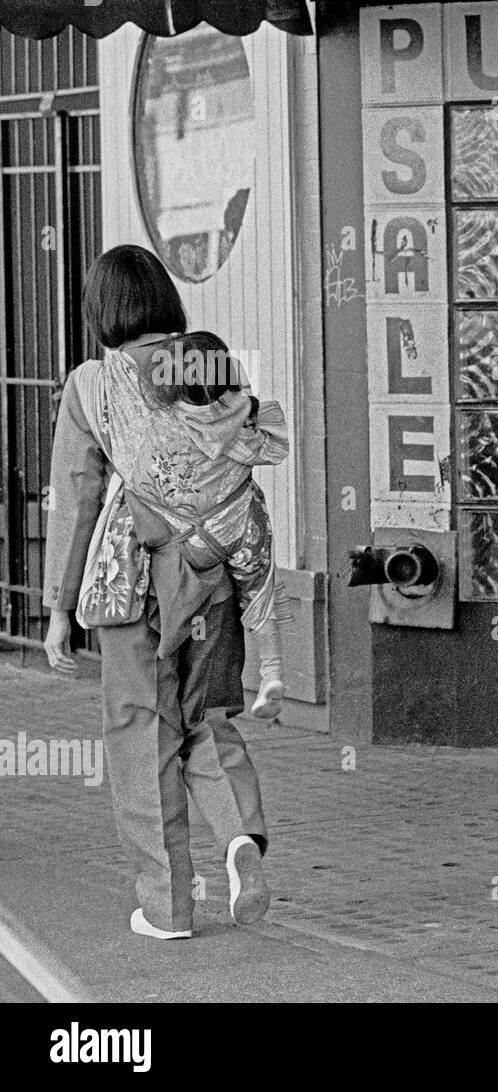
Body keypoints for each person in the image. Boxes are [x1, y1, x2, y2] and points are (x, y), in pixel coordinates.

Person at [42, 244, 271, 940]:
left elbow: (76, 500)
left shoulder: (90, 385)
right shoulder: (205, 362)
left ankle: (167, 906)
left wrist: (58, 607)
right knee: (208, 717)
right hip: (211, 575)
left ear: (101, 310)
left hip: (131, 583)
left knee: (141, 733)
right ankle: (238, 838)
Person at [134, 329, 291, 720]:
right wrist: (240, 394)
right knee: (259, 592)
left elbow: (142, 480)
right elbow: (273, 446)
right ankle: (271, 670)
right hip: (240, 524)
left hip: (188, 537)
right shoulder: (239, 419)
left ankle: (172, 671)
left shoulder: (164, 423)